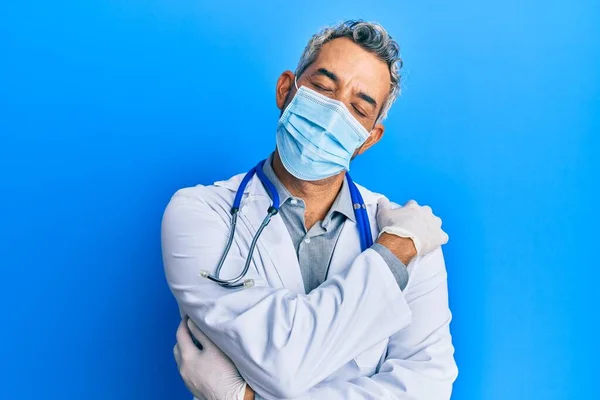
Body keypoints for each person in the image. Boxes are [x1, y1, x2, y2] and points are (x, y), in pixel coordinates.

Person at [162, 20, 458, 400]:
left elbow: (427, 388)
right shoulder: (201, 214)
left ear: (369, 138)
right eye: (322, 87)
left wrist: (247, 398)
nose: (335, 113)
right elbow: (283, 365)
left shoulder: (409, 232)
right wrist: (393, 255)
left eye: (359, 106)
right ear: (286, 90)